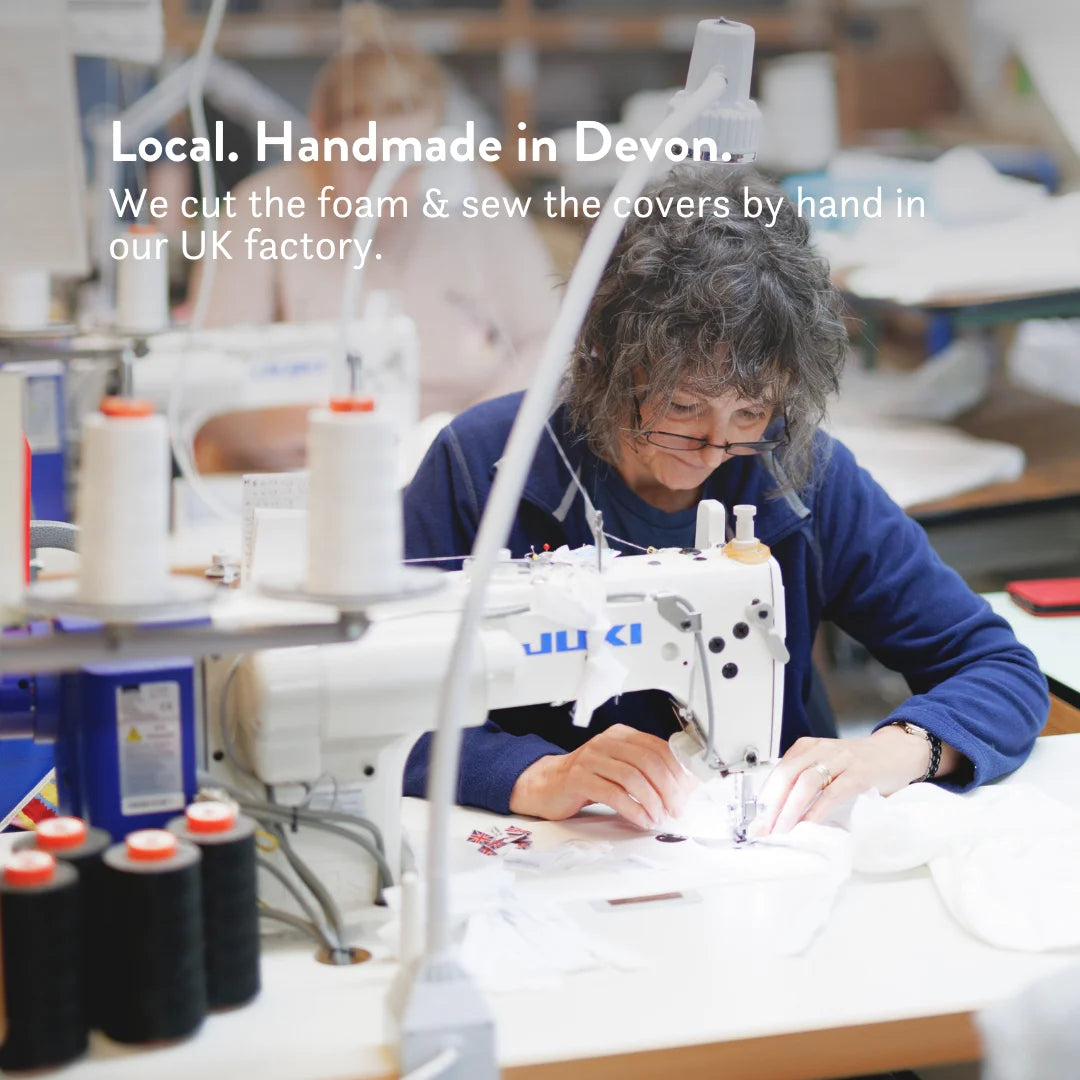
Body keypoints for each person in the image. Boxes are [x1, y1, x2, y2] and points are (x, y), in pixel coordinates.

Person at [401, 163, 1049, 835]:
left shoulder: (798, 473)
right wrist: (533, 772)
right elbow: (370, 706)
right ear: (605, 357)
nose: (714, 449)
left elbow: (999, 668)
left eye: (751, 412)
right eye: (683, 407)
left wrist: (896, 751)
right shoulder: (485, 469)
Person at [190, 34, 560, 469]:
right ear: (318, 132)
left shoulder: (471, 195)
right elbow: (210, 386)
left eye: (407, 166)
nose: (385, 189)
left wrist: (459, 439)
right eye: (365, 163)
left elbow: (549, 344)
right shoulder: (261, 209)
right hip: (317, 463)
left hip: (466, 456)